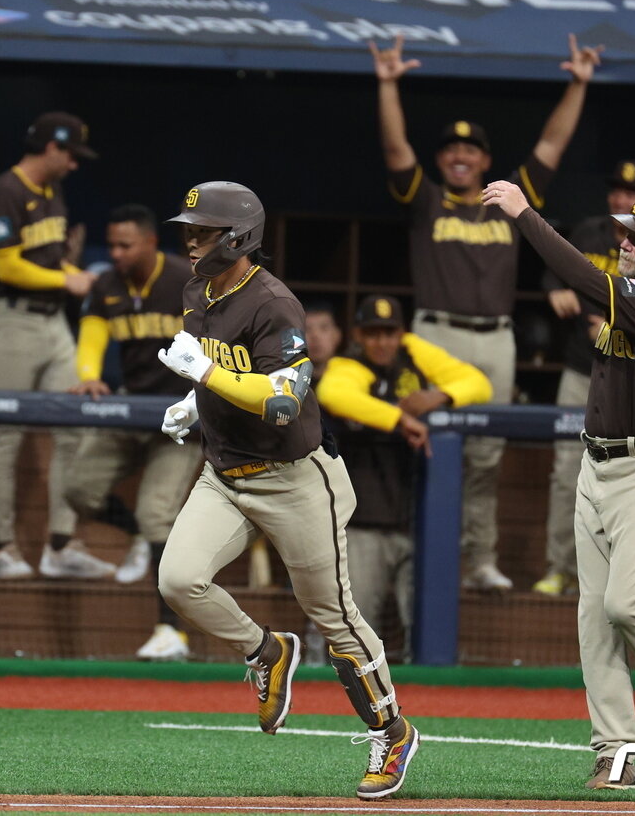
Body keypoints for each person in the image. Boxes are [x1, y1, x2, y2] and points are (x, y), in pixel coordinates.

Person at [155, 181, 419, 800]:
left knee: (334, 616)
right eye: (189, 230)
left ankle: (392, 731)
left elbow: (282, 401)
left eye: (204, 231)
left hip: (294, 479)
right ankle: (267, 651)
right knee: (178, 581)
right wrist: (194, 400)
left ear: (239, 236)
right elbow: (222, 369)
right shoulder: (196, 290)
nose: (191, 241)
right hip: (225, 474)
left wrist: (206, 374)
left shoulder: (274, 302)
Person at [482, 181, 635, 790]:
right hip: (596, 466)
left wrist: (525, 215)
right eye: (626, 232)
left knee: (626, 605)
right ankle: (617, 749)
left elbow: (585, 279)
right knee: (595, 619)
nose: (625, 243)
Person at [372, 34, 600, 591]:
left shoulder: (508, 197)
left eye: (471, 150)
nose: (461, 156)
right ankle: (425, 556)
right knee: (428, 441)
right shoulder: (427, 199)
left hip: (496, 338)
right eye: (452, 149)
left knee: (487, 453)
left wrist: (578, 84)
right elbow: (396, 149)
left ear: (485, 161)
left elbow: (552, 144)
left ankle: (478, 560)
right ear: (441, 159)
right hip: (435, 337)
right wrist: (388, 85)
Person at [316, 294, 491, 657]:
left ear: (401, 333)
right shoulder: (349, 365)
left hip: (419, 524)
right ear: (358, 335)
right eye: (373, 333)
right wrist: (398, 418)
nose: (382, 342)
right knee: (354, 625)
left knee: (425, 630)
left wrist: (441, 396)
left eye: (389, 333)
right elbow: (333, 394)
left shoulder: (414, 353)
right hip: (365, 524)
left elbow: (478, 383)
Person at [0, 112, 109, 581]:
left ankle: (61, 544)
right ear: (51, 148)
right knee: (6, 434)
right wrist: (66, 279)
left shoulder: (52, 192)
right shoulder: (4, 194)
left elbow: (46, 259)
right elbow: (7, 266)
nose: (74, 164)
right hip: (11, 320)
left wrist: (68, 270)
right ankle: (3, 550)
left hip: (53, 324)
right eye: (70, 154)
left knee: (76, 425)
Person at [64, 204, 202, 660]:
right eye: (112, 245)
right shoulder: (106, 284)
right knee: (78, 488)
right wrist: (89, 375)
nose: (116, 253)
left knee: (157, 513)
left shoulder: (184, 279)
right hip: (132, 408)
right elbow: (92, 335)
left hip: (180, 416)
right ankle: (137, 535)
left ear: (149, 242)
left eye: (126, 245)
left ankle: (171, 633)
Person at [535, 160, 635, 597]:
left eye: (632, 194)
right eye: (616, 191)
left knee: (626, 476)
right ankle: (558, 567)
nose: (621, 200)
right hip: (580, 370)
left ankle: (617, 576)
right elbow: (556, 267)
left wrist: (611, 328)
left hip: (630, 376)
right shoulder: (588, 233)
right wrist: (554, 288)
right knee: (567, 473)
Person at [304, 304, 343, 383]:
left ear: (337, 335)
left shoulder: (352, 377)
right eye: (307, 329)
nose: (315, 336)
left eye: (323, 328)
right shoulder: (287, 382)